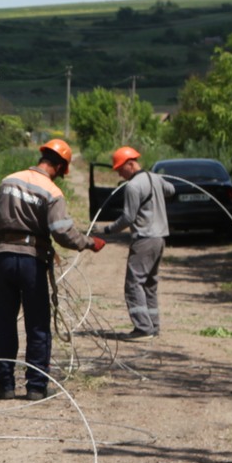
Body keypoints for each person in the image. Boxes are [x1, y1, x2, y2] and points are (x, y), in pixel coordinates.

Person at [0, 137, 102, 400]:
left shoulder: (8, 181)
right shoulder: (52, 192)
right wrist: (89, 243)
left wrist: (4, 239)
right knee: (37, 324)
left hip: (3, 258)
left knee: (3, 323)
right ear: (60, 168)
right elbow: (62, 233)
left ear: (42, 158)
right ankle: (36, 386)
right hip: (31, 262)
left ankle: (5, 386)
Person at [99, 145, 174, 338]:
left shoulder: (133, 186)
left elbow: (128, 218)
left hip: (144, 239)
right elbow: (171, 190)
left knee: (133, 284)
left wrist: (108, 230)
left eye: (120, 170)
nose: (119, 175)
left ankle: (143, 328)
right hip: (159, 239)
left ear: (130, 164)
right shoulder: (155, 178)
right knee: (149, 284)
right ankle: (153, 327)